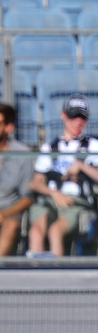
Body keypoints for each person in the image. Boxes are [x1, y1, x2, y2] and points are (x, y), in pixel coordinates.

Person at [27, 94, 98, 257]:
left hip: (77, 202)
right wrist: (54, 194)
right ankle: (36, 274)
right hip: (51, 199)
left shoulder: (94, 145)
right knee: (36, 231)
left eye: (82, 118)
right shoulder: (50, 147)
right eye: (74, 117)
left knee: (55, 231)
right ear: (64, 116)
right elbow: (35, 182)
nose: (78, 122)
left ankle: (57, 275)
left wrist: (81, 166)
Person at [0, 103, 34, 256]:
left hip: (9, 211)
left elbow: (27, 197)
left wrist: (4, 213)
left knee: (11, 225)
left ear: (9, 127)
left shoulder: (22, 154)